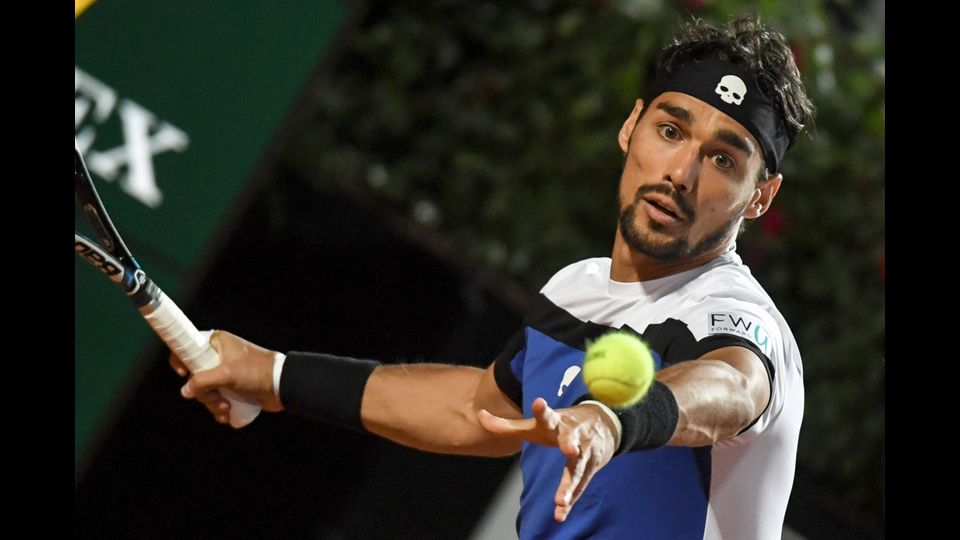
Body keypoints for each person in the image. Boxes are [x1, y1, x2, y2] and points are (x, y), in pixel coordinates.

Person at [174, 15, 814, 540]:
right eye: (671, 130)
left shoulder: (736, 318)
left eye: (724, 159)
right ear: (631, 125)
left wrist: (613, 421)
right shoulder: (577, 290)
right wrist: (277, 376)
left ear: (760, 197)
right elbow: (476, 409)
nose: (681, 172)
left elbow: (730, 386)